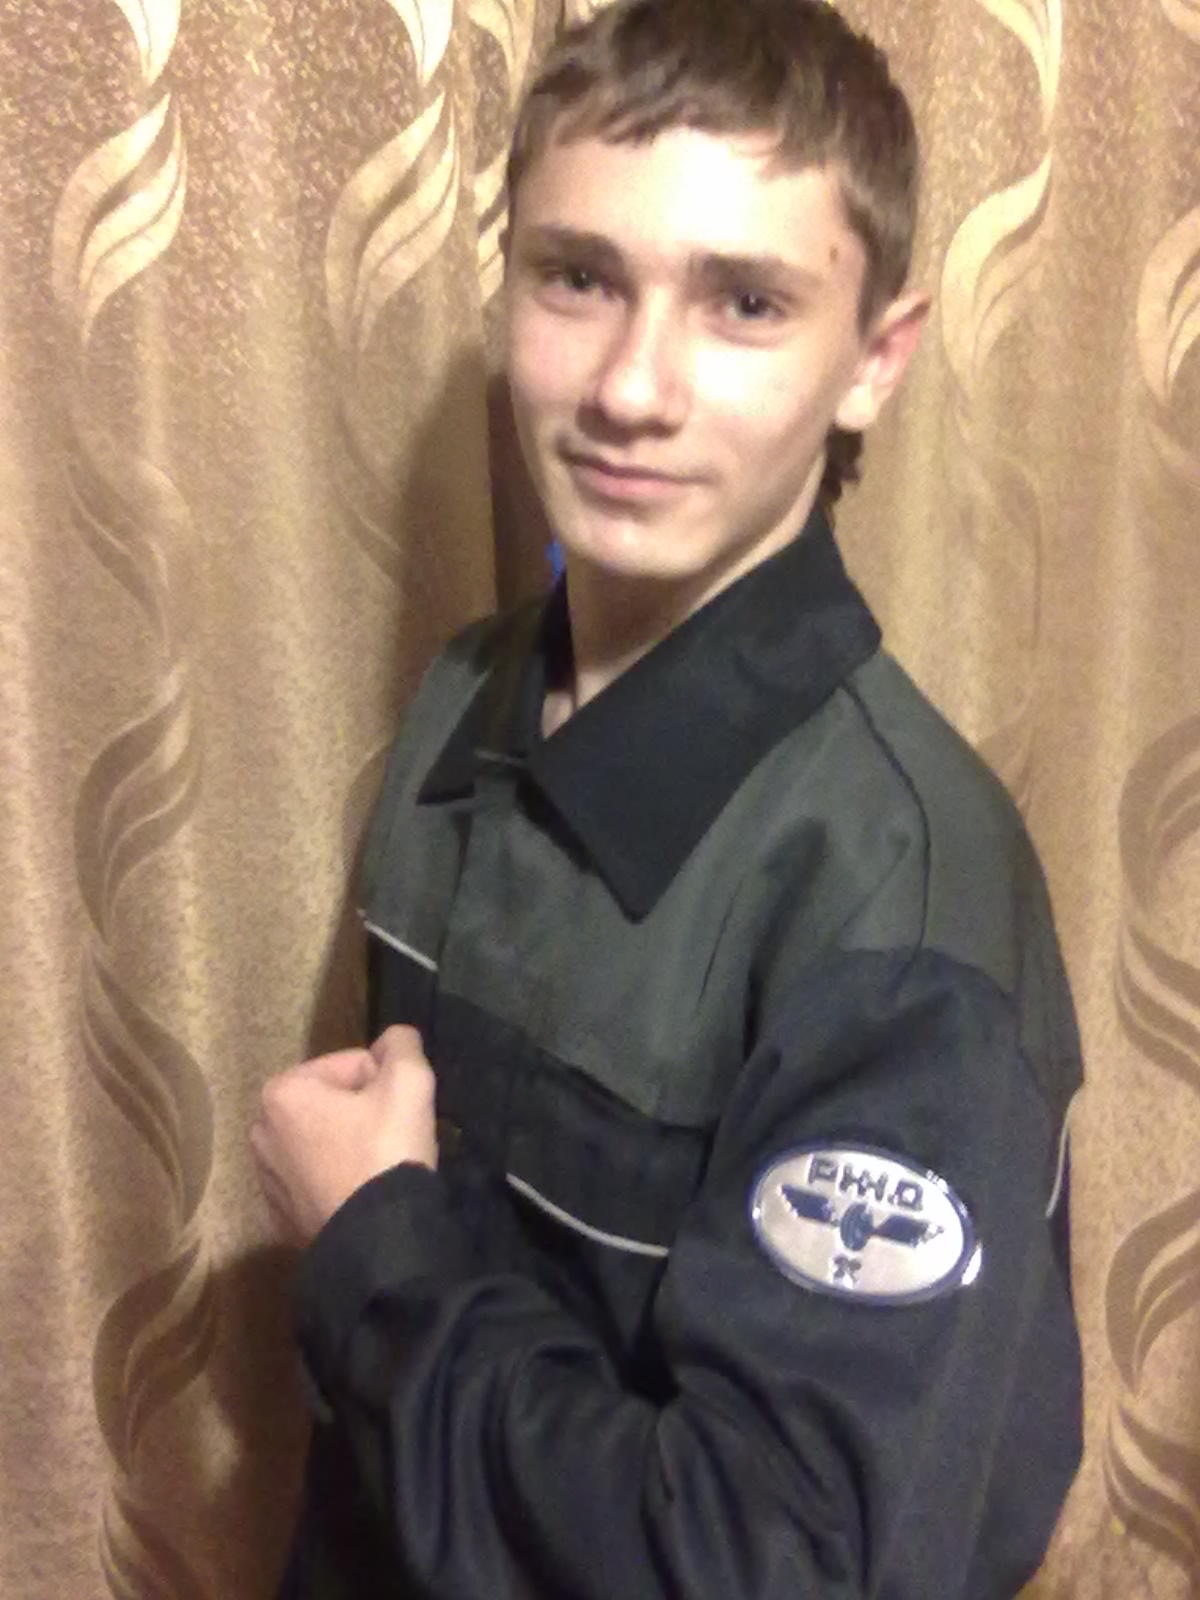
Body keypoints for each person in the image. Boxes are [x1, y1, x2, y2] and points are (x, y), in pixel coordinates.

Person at [251, 2, 1083, 1595]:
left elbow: (777, 1570)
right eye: (578, 276)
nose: (633, 387)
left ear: (875, 360)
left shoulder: (902, 906)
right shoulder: (466, 693)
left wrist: (372, 1249)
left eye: (745, 302)